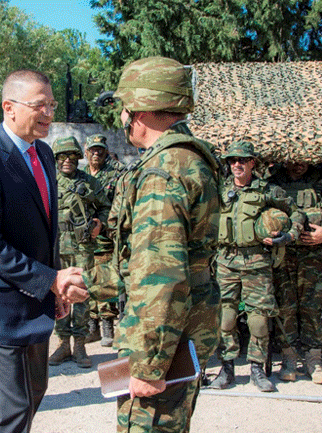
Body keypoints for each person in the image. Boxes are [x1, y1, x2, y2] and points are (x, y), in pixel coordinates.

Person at [82, 56, 220, 432]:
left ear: (138, 110)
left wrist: (149, 365)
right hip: (181, 328)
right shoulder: (187, 160)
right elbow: (142, 259)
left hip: (161, 341)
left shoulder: (163, 172)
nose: (122, 117)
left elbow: (161, 273)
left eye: (124, 107)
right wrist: (86, 284)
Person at [0, 69, 88, 433]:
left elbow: (47, 232)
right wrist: (50, 280)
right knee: (14, 410)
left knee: (35, 392)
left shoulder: (44, 154)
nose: (48, 113)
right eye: (39, 105)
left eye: (51, 104)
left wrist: (54, 289)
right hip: (1, 309)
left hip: (36, 301)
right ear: (9, 107)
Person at [207, 142, 305, 392]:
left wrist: (290, 236)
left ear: (252, 163)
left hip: (256, 261)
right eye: (232, 160)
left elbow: (297, 214)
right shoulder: (220, 190)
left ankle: (257, 369)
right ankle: (226, 369)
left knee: (259, 320)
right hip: (226, 261)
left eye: (242, 160)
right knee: (225, 318)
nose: (236, 164)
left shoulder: (267, 190)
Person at [270, 161, 322, 385]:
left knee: (312, 309)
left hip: (314, 259)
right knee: (286, 308)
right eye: (294, 160)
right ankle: (289, 359)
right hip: (285, 257)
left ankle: (314, 360)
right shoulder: (274, 185)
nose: (299, 165)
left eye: (304, 161)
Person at [48, 136, 109, 368]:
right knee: (58, 294)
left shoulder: (89, 183)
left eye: (72, 156)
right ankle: (63, 344)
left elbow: (105, 206)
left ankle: (80, 345)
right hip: (55, 247)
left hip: (83, 246)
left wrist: (99, 225)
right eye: (62, 156)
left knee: (82, 295)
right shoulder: (49, 182)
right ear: (56, 159)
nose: (67, 161)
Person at [82, 134, 122, 347]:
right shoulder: (81, 175)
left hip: (106, 236)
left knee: (104, 280)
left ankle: (107, 325)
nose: (96, 153)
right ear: (86, 151)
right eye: (92, 149)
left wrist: (104, 224)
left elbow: (118, 205)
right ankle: (92, 325)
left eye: (100, 149)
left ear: (106, 151)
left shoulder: (116, 174)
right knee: (87, 279)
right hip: (84, 239)